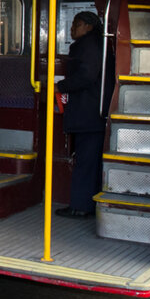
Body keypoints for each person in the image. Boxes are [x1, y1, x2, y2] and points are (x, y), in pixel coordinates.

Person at [56, 11, 109, 219]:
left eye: (76, 25)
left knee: (86, 160)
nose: (72, 29)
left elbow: (86, 75)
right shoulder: (98, 43)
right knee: (90, 160)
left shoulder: (88, 45)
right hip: (94, 111)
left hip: (89, 111)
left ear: (88, 26)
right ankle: (87, 203)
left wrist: (61, 86)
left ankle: (80, 206)